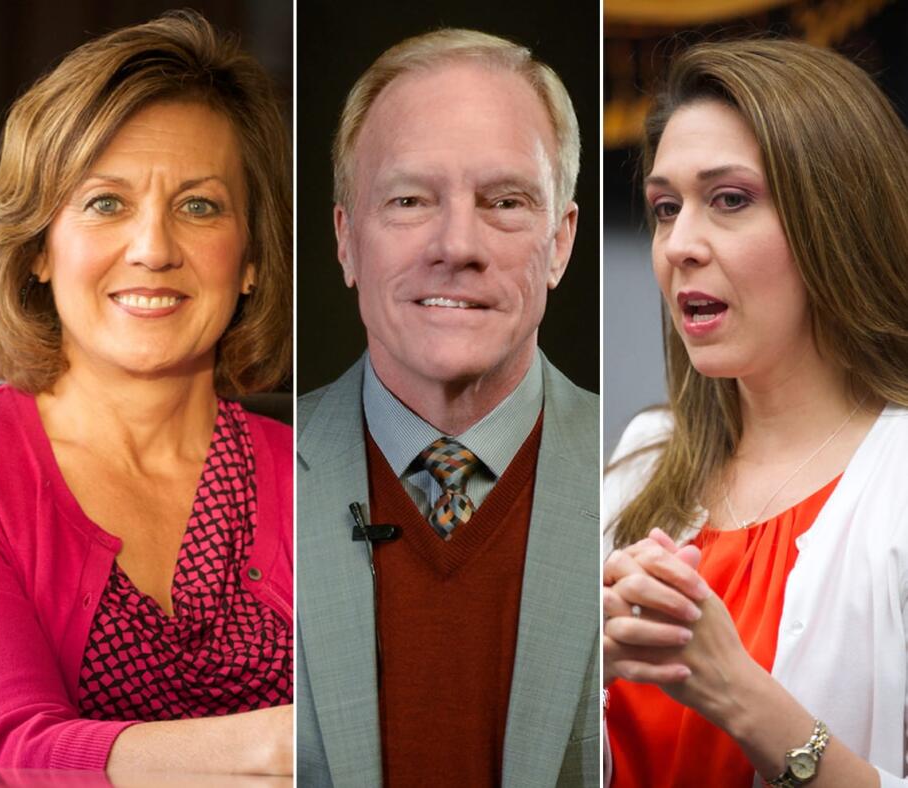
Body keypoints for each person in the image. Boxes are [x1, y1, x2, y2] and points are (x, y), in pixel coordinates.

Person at [0, 11, 294, 776]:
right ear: (38, 251)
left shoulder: (322, 470)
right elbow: (11, 754)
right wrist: (280, 746)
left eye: (199, 206)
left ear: (251, 257)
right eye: (105, 203)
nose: (154, 248)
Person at [296, 28, 599, 787]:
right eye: (408, 200)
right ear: (345, 241)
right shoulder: (246, 472)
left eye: (504, 201)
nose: (456, 244)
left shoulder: (641, 473)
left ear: (560, 243)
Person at [603, 39, 908, 787]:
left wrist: (740, 696)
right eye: (666, 208)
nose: (680, 245)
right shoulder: (641, 458)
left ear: (833, 218)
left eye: (729, 200)